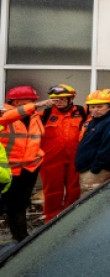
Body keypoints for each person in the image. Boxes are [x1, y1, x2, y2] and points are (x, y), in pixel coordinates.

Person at [0, 86, 53, 240]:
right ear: (16, 102)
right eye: (30, 101)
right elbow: (8, 117)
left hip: (29, 168)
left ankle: (21, 237)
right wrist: (35, 106)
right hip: (8, 170)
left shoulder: (35, 116)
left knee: (20, 204)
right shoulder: (4, 113)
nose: (34, 103)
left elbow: (36, 140)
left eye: (34, 101)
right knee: (7, 204)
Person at [39, 84, 85, 222]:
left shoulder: (82, 112)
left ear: (71, 99)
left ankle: (69, 219)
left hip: (75, 157)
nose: (58, 102)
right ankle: (51, 220)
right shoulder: (45, 114)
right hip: (51, 160)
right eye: (55, 99)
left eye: (62, 99)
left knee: (74, 189)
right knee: (52, 191)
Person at [74, 90, 110, 195]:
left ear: (109, 106)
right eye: (92, 107)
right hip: (87, 168)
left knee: (90, 201)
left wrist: (96, 168)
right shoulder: (95, 120)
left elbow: (109, 147)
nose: (95, 110)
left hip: (96, 170)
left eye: (99, 106)